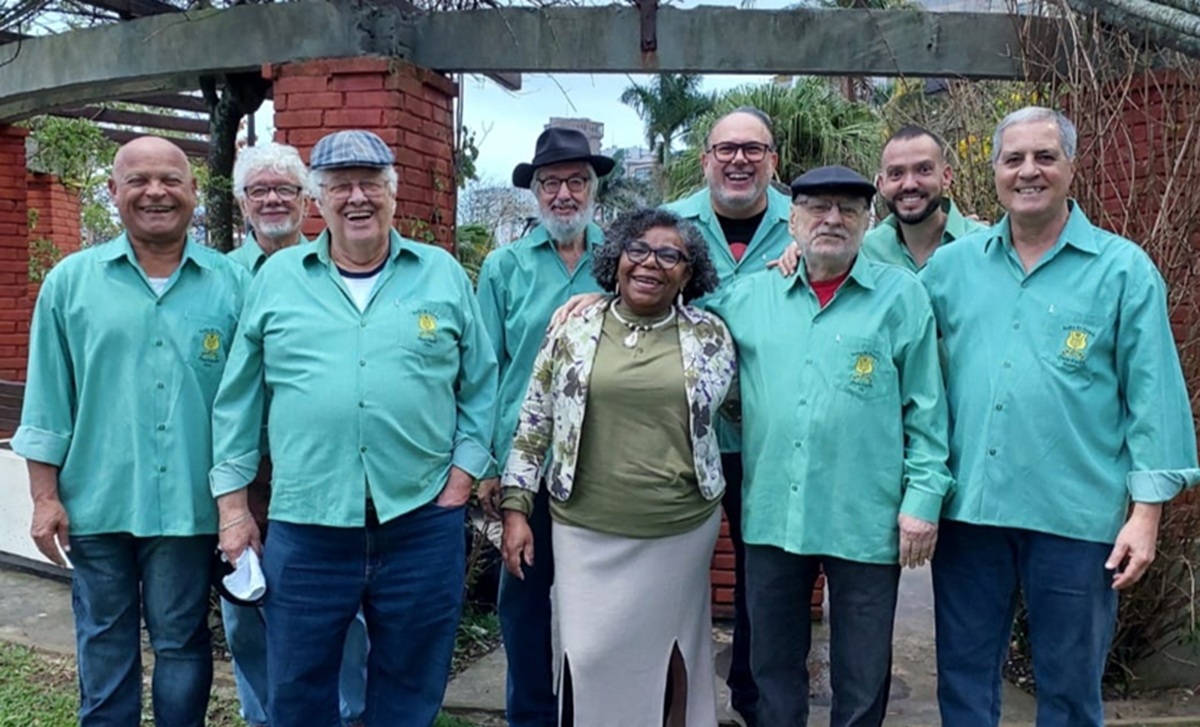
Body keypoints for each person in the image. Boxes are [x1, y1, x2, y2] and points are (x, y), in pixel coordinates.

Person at [920, 106, 1198, 727]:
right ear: (991, 171)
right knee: (963, 687)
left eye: (1045, 157)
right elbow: (895, 339)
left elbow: (1153, 400)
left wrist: (1146, 516)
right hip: (970, 515)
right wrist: (800, 259)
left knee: (1070, 695)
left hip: (1075, 524)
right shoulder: (951, 269)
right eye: (1013, 158)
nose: (1028, 171)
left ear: (1071, 166)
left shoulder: (1123, 271)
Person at [209, 129, 498, 727]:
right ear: (318, 198)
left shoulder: (441, 275)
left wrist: (463, 477)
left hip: (420, 523)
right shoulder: (278, 279)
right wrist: (234, 509)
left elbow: (482, 383)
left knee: (410, 686)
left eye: (371, 184)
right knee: (298, 687)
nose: (357, 198)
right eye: (341, 185)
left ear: (393, 195)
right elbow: (238, 401)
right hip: (308, 527)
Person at [554, 108, 792, 725]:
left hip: (770, 444)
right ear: (706, 157)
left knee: (766, 594)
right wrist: (599, 297)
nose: (738, 160)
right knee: (618, 636)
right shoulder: (673, 224)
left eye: (753, 148)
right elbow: (634, 282)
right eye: (725, 148)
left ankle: (755, 706)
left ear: (773, 158)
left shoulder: (811, 225)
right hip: (688, 445)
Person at [13, 135, 249, 726]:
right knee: (103, 642)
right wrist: (44, 498)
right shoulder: (70, 284)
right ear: (112, 192)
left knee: (180, 642)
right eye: (138, 180)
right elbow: (47, 400)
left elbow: (251, 404)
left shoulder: (234, 286)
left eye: (170, 179)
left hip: (192, 508)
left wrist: (246, 503)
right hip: (97, 505)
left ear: (195, 193)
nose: (155, 191)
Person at [706, 166, 952, 727]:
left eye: (848, 208)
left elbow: (927, 409)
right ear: (791, 221)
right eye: (817, 208)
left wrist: (923, 500)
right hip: (773, 513)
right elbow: (676, 320)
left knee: (862, 674)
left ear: (869, 221)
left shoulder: (901, 298)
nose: (832, 219)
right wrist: (596, 305)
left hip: (864, 516)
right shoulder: (749, 298)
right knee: (771, 666)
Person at [500, 208, 736, 727]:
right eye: (638, 250)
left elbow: (745, 408)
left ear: (689, 272)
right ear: (617, 259)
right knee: (586, 658)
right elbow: (534, 418)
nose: (651, 263)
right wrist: (516, 509)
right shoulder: (574, 327)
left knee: (673, 658)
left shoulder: (713, 337)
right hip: (584, 527)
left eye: (670, 254)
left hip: (678, 528)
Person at [221, 141, 369, 727]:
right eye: (260, 189)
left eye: (286, 188)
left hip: (314, 473)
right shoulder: (217, 276)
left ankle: (349, 712)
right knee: (246, 600)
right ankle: (264, 715)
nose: (273, 199)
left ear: (308, 201)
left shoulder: (337, 269)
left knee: (343, 609)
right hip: (241, 471)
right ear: (242, 202)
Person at [475, 127, 614, 727]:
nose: (564, 194)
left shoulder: (622, 258)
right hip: (523, 469)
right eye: (551, 182)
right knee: (524, 602)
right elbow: (482, 370)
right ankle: (530, 717)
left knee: (600, 607)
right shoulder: (504, 268)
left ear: (593, 189)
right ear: (534, 192)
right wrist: (485, 464)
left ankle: (595, 713)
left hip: (605, 466)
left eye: (576, 181)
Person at [774, 124, 985, 276]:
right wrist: (804, 250)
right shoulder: (861, 251)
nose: (909, 184)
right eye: (896, 174)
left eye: (923, 170)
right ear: (881, 185)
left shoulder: (986, 246)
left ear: (946, 176)